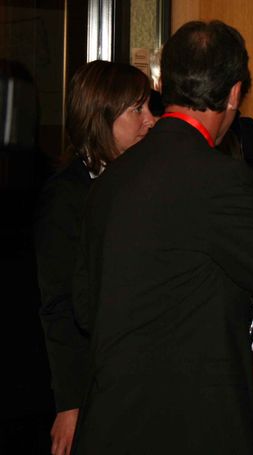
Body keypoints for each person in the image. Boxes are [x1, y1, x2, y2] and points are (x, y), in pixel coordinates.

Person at [70, 21, 253, 454]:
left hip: (110, 420)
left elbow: (86, 307)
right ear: (234, 93)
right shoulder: (219, 179)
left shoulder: (111, 178)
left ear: (163, 84)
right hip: (188, 424)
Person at [34, 60, 154, 455]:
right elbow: (58, 303)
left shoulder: (137, 179)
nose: (150, 120)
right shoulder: (67, 196)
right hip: (90, 383)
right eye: (137, 109)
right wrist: (69, 403)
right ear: (102, 118)